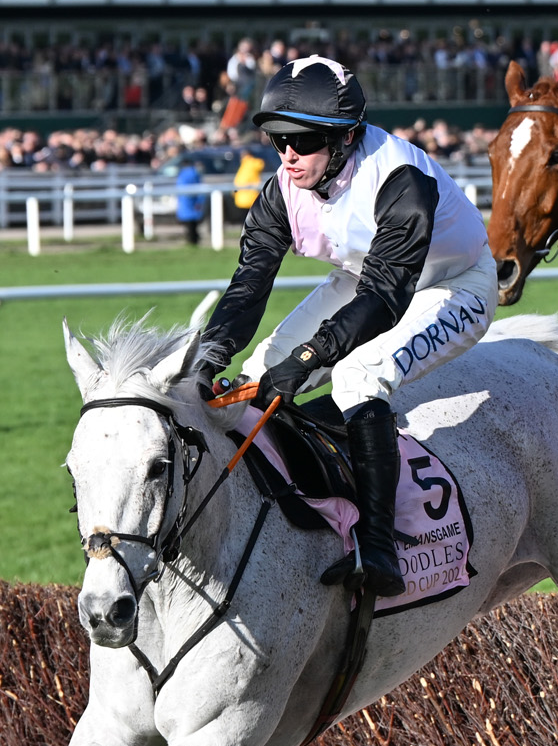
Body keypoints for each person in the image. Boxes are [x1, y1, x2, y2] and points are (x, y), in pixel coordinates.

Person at [195, 56, 497, 598]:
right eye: (277, 140)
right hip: (367, 278)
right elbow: (248, 285)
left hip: (454, 286)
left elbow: (385, 299)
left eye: (304, 140)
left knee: (358, 374)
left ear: (345, 138)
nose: (288, 155)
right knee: (260, 372)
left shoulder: (402, 180)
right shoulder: (281, 189)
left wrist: (312, 358)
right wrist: (207, 360)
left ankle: (380, 546)